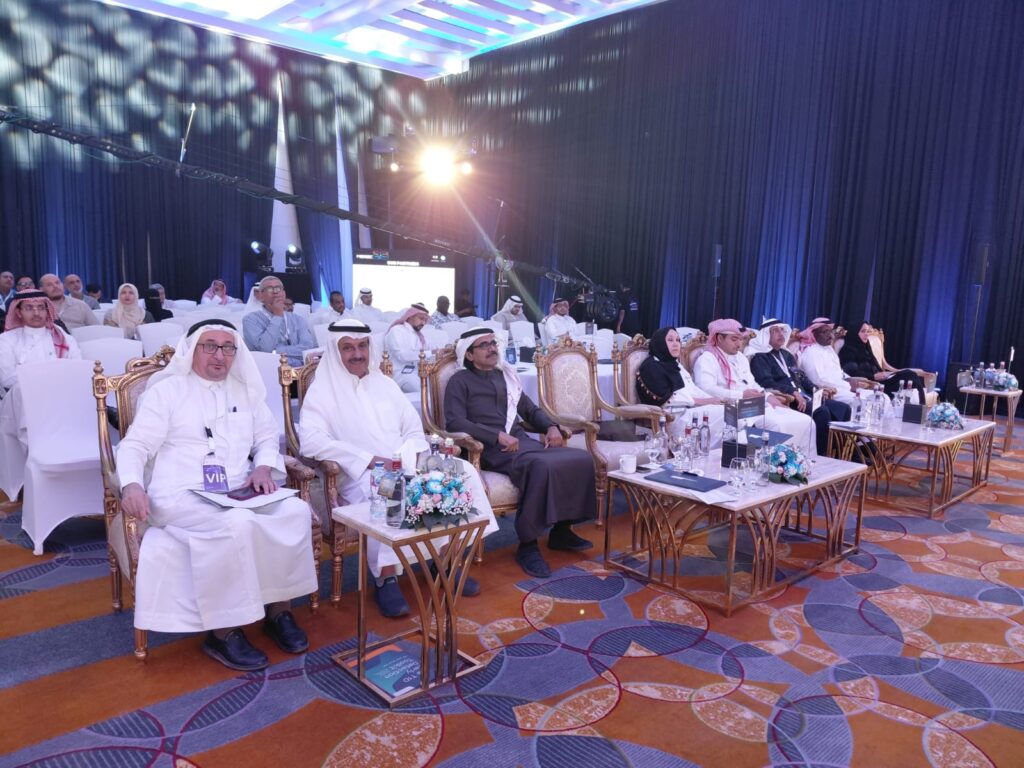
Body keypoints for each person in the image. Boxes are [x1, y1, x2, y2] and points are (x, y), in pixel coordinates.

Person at [116, 319, 317, 671]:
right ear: (191, 350)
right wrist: (131, 484)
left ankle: (278, 610)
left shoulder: (244, 391)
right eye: (209, 346)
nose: (219, 355)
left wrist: (263, 467)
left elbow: (266, 438)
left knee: (295, 513)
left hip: (238, 489)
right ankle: (223, 632)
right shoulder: (167, 392)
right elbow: (135, 445)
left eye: (227, 347)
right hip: (180, 493)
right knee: (237, 524)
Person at [298, 319, 499, 616]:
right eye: (348, 348)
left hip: (405, 459)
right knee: (390, 487)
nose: (358, 354)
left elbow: (412, 427)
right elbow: (311, 442)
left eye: (362, 346)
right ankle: (387, 576)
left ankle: (445, 561)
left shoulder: (385, 383)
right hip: (359, 473)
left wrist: (413, 453)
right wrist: (368, 459)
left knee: (460, 472)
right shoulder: (322, 390)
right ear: (335, 351)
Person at [444, 326, 597, 579]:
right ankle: (528, 545)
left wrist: (551, 427)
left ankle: (561, 531)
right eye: (484, 345)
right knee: (541, 466)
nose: (492, 348)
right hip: (488, 448)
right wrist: (495, 435)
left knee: (579, 459)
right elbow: (454, 422)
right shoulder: (459, 382)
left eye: (493, 343)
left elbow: (529, 410)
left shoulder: (505, 376)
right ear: (469, 355)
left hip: (520, 443)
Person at [693, 319, 817, 453]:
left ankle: (802, 462)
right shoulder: (707, 359)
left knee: (806, 421)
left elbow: (752, 383)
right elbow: (706, 389)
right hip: (731, 408)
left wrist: (768, 396)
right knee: (778, 424)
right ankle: (776, 463)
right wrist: (741, 395)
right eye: (734, 339)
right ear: (719, 338)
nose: (739, 344)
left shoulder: (740, 357)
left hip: (752, 405)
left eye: (741, 339)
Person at [748, 319, 851, 454]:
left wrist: (816, 390)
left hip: (804, 396)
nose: (781, 334)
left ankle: (842, 453)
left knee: (843, 408)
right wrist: (792, 392)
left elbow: (801, 377)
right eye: (775, 331)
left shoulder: (786, 354)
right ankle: (821, 455)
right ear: (765, 335)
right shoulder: (760, 357)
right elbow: (767, 383)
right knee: (821, 412)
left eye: (782, 330)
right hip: (788, 399)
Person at [635, 327, 726, 444]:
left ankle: (718, 452)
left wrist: (713, 400)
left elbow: (692, 389)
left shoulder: (674, 364)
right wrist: (704, 402)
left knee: (730, 412)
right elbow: (669, 399)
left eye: (678, 340)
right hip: (672, 418)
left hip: (690, 412)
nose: (676, 344)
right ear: (660, 342)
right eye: (670, 340)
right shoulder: (651, 366)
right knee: (725, 413)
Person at [798, 318, 889, 413]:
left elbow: (840, 372)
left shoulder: (828, 349)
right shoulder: (811, 352)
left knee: (883, 397)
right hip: (831, 392)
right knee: (864, 402)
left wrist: (850, 380)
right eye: (825, 332)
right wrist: (846, 385)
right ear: (813, 334)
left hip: (844, 388)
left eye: (830, 331)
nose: (830, 335)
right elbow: (818, 380)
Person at [0, 290, 82, 393]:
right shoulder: (6, 339)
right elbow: (7, 379)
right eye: (29, 308)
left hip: (64, 391)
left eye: (41, 308)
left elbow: (77, 368)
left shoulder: (63, 337)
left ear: (47, 311)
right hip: (24, 395)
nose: (36, 313)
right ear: (18, 312)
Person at [839, 321, 926, 404]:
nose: (866, 334)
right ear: (854, 332)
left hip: (882, 380)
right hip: (872, 384)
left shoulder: (865, 346)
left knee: (911, 374)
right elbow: (851, 372)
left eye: (868, 331)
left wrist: (885, 373)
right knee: (909, 375)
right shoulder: (848, 350)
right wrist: (873, 376)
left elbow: (874, 364)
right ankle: (921, 405)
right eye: (863, 331)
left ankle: (921, 406)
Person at [242, 276, 315, 367]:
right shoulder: (250, 320)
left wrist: (275, 351)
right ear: (261, 296)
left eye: (278, 288)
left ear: (284, 293)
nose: (275, 292)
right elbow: (264, 350)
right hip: (268, 370)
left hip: (301, 370)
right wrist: (277, 316)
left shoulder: (298, 319)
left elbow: (308, 348)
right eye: (269, 289)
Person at [385, 303, 430, 393]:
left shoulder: (419, 336)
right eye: (421, 318)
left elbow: (429, 350)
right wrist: (431, 353)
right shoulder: (397, 330)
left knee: (437, 385)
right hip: (400, 373)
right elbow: (402, 356)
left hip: (417, 371)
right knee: (424, 390)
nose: (423, 323)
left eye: (425, 320)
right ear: (410, 316)